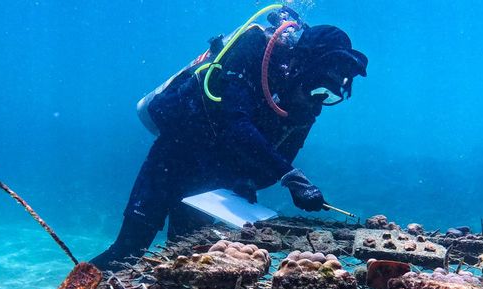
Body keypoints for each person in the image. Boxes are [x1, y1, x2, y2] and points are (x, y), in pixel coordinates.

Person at [90, 14, 368, 270]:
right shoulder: (252, 51)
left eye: (328, 95)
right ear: (303, 65)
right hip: (173, 157)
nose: (317, 98)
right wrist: (290, 176)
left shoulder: (305, 106)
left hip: (212, 184)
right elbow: (236, 124)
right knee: (128, 250)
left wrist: (247, 183)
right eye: (317, 86)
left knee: (190, 262)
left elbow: (278, 158)